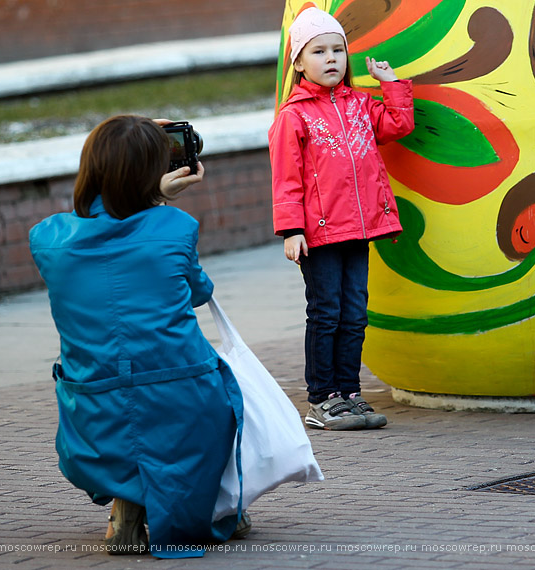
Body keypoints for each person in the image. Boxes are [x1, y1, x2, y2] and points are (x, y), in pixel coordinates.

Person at [29, 115, 249, 558]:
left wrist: (135, 175)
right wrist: (157, 204)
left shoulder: (47, 239)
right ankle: (215, 505)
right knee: (226, 399)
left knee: (133, 411)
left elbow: (104, 234)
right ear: (154, 174)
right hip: (181, 399)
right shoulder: (175, 226)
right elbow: (199, 292)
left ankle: (126, 507)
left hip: (91, 409)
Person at [269, 7, 414, 430]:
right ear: (298, 62)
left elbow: (398, 125)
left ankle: (350, 393)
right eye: (318, 51)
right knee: (326, 312)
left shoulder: (361, 105)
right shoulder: (293, 117)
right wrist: (291, 229)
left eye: (338, 50)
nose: (331, 58)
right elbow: (287, 179)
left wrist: (391, 85)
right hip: (318, 236)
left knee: (355, 313)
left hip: (360, 229)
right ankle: (321, 398)